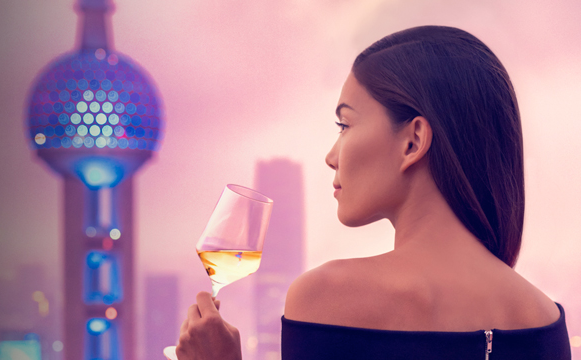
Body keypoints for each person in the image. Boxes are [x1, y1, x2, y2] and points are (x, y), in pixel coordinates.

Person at [174, 25, 572, 359]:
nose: (332, 156)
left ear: (413, 141)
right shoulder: (544, 317)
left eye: (345, 125)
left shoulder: (326, 296)